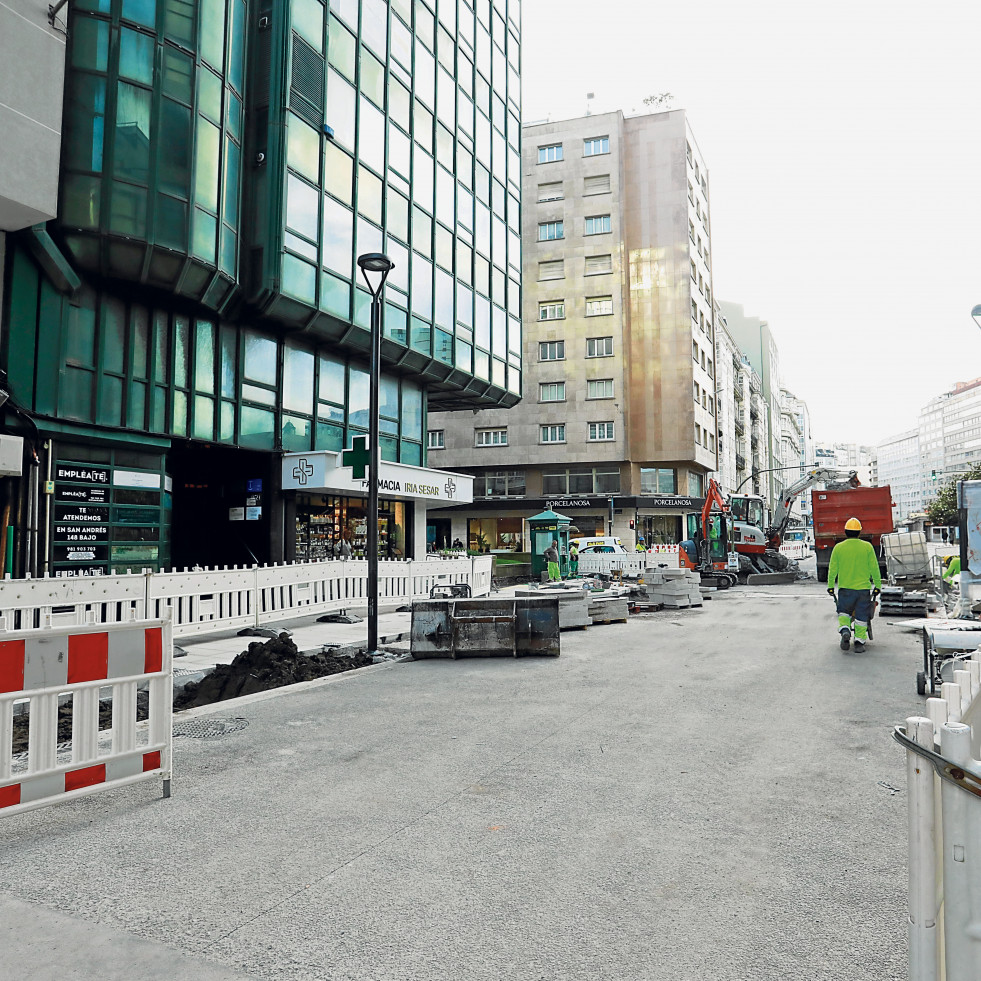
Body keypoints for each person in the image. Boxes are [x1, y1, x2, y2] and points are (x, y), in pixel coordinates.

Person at [827, 517, 881, 653]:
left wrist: (830, 586)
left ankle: (845, 630)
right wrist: (878, 586)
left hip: (845, 589)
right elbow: (874, 568)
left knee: (844, 613)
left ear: (845, 532)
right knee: (862, 616)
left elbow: (832, 569)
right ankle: (859, 643)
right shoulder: (867, 547)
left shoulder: (838, 548)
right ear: (859, 532)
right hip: (863, 590)